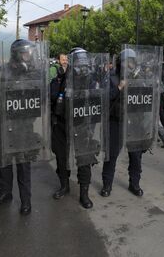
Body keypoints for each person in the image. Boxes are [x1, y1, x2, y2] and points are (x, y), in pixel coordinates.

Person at [0, 39, 47, 215]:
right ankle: (5, 193)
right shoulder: (4, 70)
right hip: (6, 124)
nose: (28, 56)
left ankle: (26, 200)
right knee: (4, 163)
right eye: (24, 53)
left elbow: (42, 99)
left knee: (23, 164)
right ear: (16, 54)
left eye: (29, 53)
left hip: (24, 126)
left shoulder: (35, 72)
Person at [50, 48, 98, 209]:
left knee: (84, 160)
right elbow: (51, 98)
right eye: (78, 62)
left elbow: (97, 103)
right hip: (62, 124)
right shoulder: (61, 79)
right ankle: (64, 186)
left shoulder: (91, 81)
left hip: (82, 125)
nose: (81, 66)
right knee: (61, 158)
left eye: (83, 62)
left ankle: (84, 193)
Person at [101, 48, 148, 197]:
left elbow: (146, 99)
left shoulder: (139, 78)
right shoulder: (111, 77)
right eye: (126, 62)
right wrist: (120, 87)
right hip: (116, 120)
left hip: (134, 122)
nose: (129, 65)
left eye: (131, 62)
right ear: (121, 63)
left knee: (135, 156)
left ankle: (134, 184)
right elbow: (105, 98)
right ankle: (107, 185)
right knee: (112, 154)